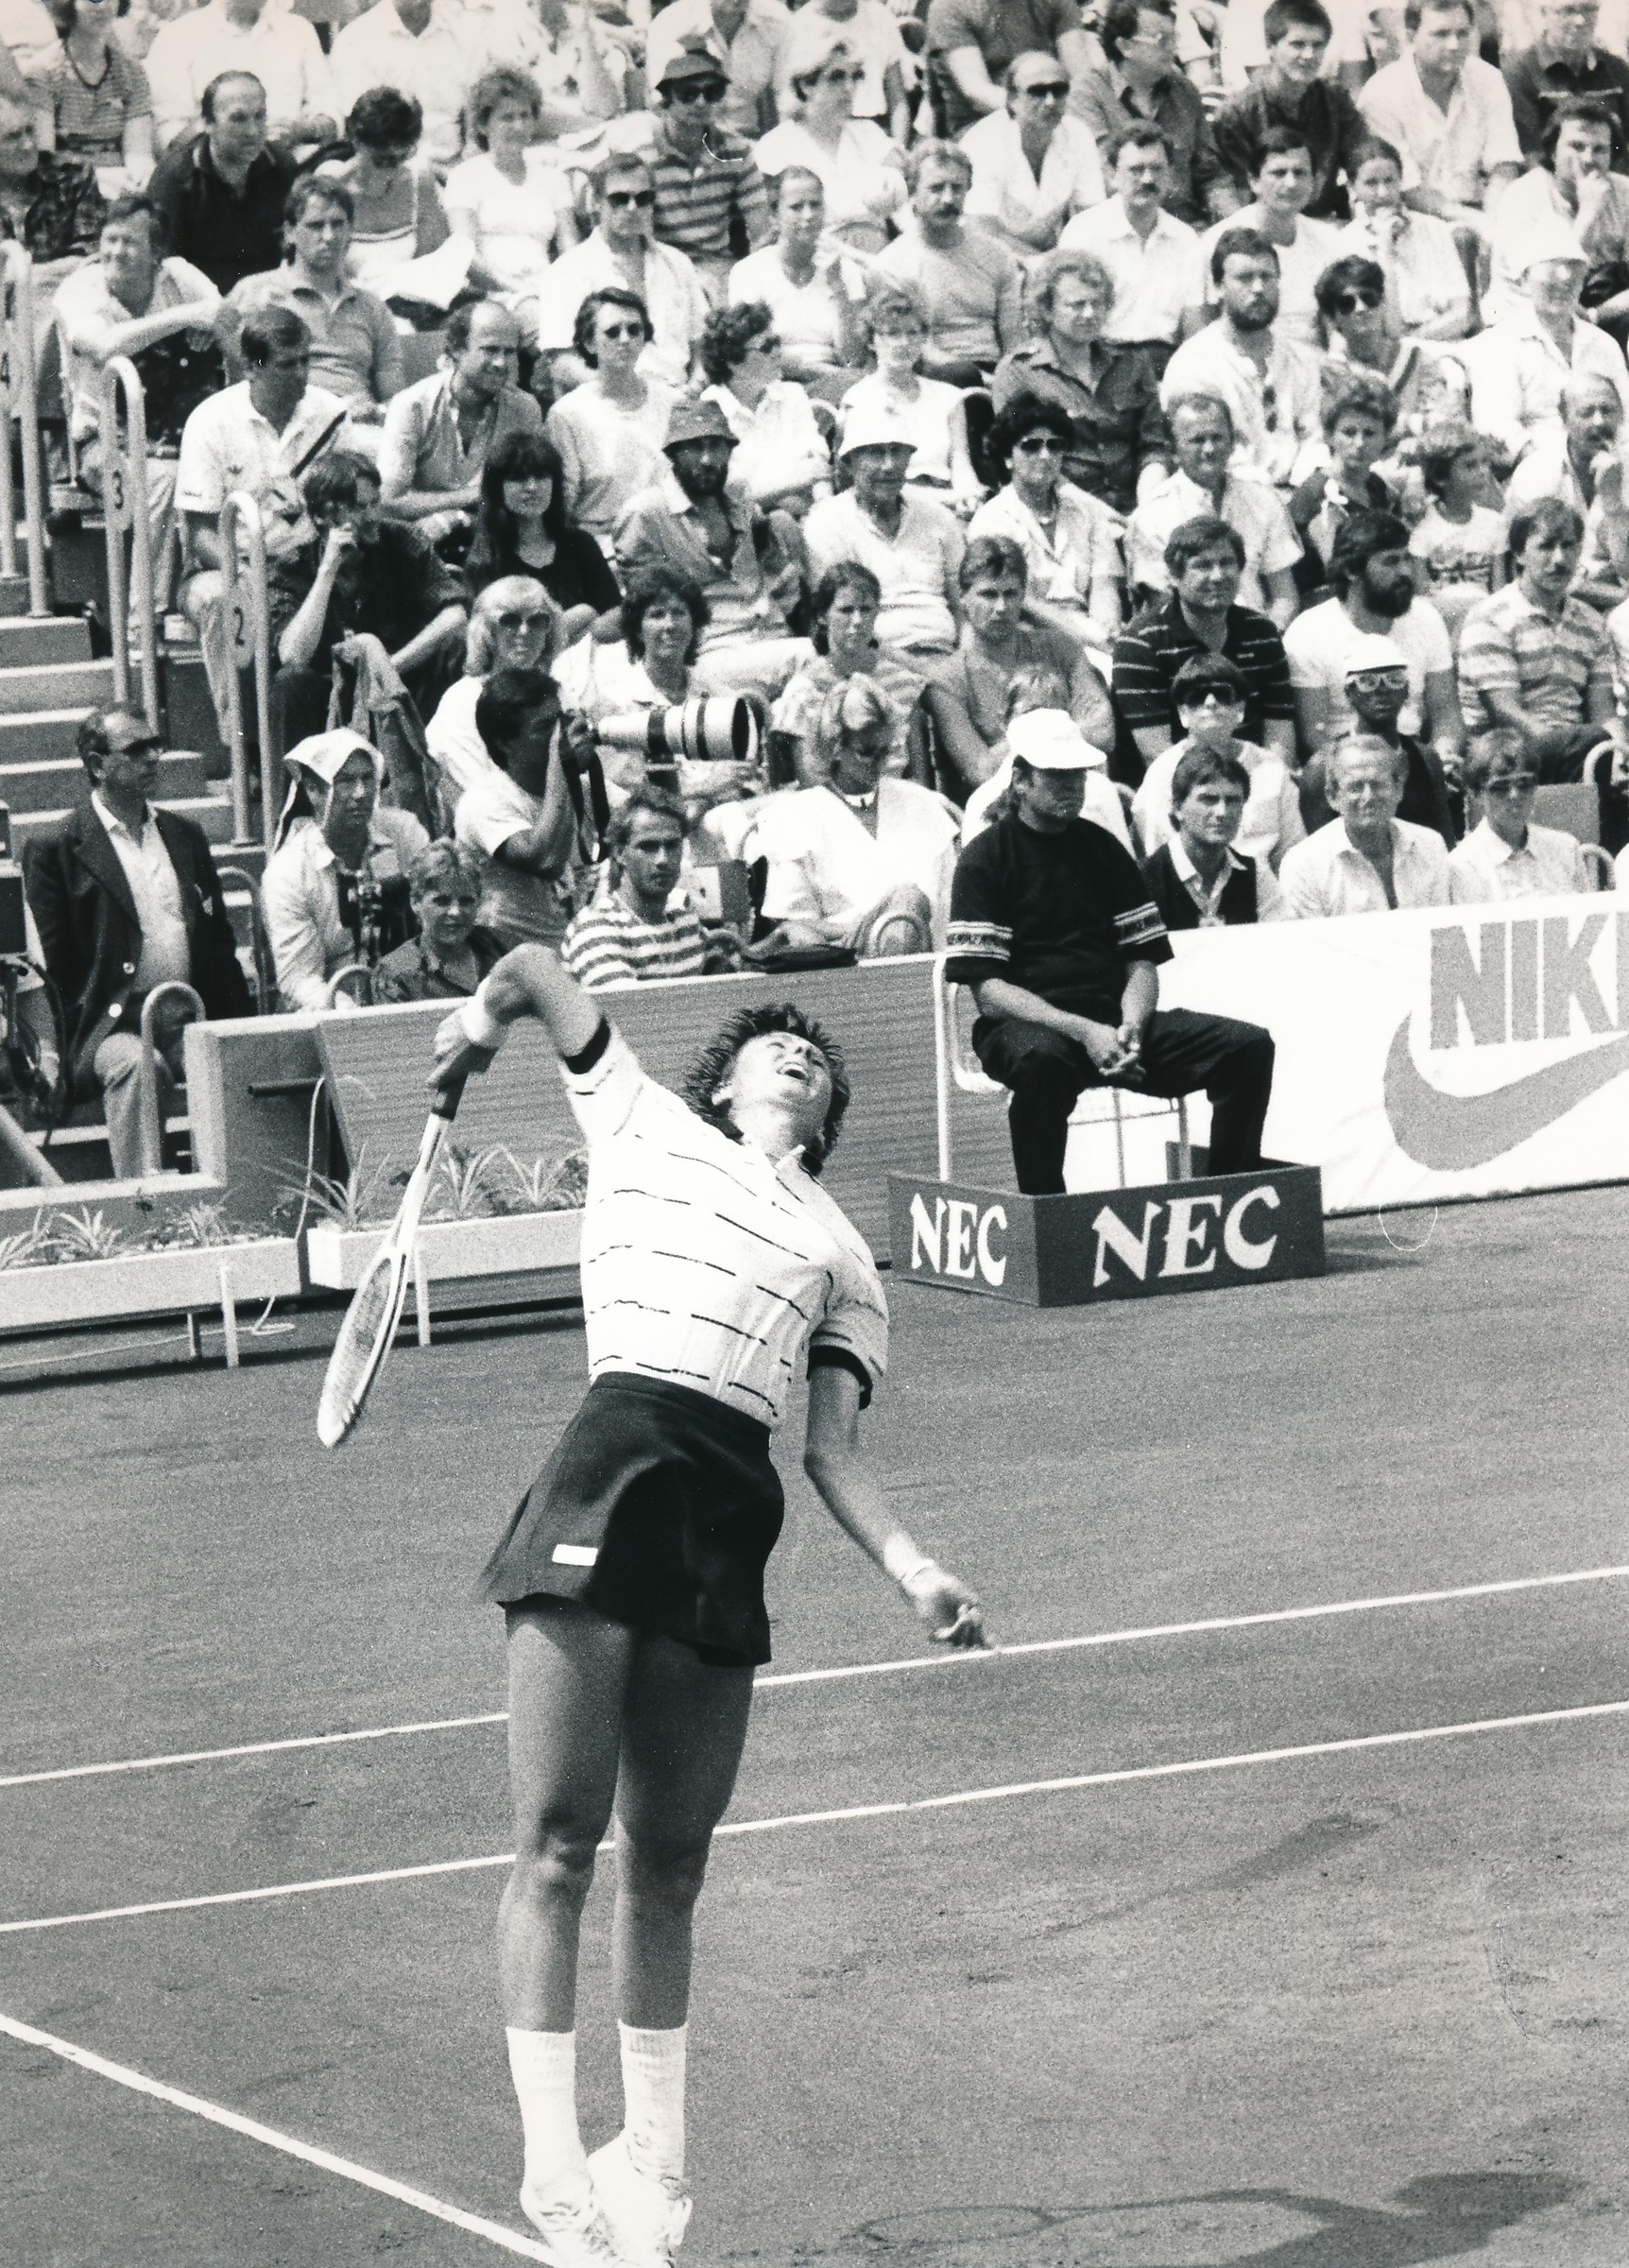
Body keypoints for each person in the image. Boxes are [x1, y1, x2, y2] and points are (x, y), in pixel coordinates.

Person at [426, 947, 982, 2268]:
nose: (799, 1053)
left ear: (827, 1114)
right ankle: (555, 2174)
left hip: (727, 1514)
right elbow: (532, 965)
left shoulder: (845, 1257)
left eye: (817, 1057)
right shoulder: (639, 1123)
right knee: (557, 1845)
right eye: (772, 1045)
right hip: (609, 1468)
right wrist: (478, 1024)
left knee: (671, 1861)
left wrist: (917, 1572)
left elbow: (832, 1451)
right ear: (720, 1085)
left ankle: (654, 2165)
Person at [944, 703, 1277, 1194]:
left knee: (1248, 1047)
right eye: (1056, 775)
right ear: (1020, 781)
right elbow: (990, 995)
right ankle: (1048, 1214)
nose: (1071, 785)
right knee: (1042, 1064)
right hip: (1029, 1029)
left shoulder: (1103, 847)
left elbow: (1141, 960)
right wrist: (1086, 1032)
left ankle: (1230, 1198)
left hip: (1115, 1024)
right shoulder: (984, 858)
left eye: (1077, 774)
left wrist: (1130, 1030)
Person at [22, 705, 250, 1178]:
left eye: (155, 745)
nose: (152, 757)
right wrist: (51, 1058)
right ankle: (143, 1201)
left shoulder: (186, 835)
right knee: (139, 1068)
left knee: (226, 1066)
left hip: (187, 1016)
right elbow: (49, 970)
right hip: (107, 1028)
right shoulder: (55, 847)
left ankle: (232, 1194)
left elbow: (219, 945)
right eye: (136, 749)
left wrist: (246, 1030)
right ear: (97, 764)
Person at [176, 303, 351, 717]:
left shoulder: (331, 413)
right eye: (287, 364)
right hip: (230, 563)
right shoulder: (210, 420)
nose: (302, 374)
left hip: (309, 560)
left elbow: (348, 501)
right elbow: (200, 533)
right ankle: (240, 740)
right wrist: (248, 573)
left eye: (306, 360)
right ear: (251, 368)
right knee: (223, 600)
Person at [55, 192, 219, 609]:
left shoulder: (178, 277)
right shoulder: (79, 288)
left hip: (177, 437)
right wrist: (185, 317)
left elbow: (224, 314)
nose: (115, 251)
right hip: (101, 444)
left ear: (156, 251)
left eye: (129, 241)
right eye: (109, 239)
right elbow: (104, 346)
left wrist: (211, 326)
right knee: (162, 479)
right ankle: (144, 622)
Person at [268, 446, 469, 759]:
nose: (373, 515)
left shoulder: (402, 540)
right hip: (329, 696)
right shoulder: (291, 566)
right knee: (291, 682)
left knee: (456, 649)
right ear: (321, 516)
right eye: (358, 508)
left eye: (375, 503)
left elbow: (454, 616)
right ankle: (298, 791)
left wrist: (387, 668)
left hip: (399, 682)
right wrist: (327, 571)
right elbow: (293, 656)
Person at [614, 396, 811, 698]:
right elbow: (644, 607)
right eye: (695, 448)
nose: (707, 460)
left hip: (774, 637)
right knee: (815, 657)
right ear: (674, 454)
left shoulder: (741, 504)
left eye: (716, 447)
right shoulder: (646, 513)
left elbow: (783, 583)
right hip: (707, 652)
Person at [750, 674, 960, 949]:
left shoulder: (922, 805)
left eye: (885, 751)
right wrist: (870, 927)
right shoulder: (797, 817)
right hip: (842, 959)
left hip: (924, 954)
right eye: (867, 752)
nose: (878, 763)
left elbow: (951, 908)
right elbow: (793, 926)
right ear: (835, 748)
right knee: (905, 901)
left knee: (909, 898)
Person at [923, 532, 1113, 799]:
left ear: (1023, 595)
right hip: (1001, 805)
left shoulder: (1060, 647)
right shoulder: (946, 681)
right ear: (963, 596)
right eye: (988, 594)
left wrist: (1014, 745)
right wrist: (1063, 730)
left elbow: (1103, 733)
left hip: (1077, 794)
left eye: (1011, 594)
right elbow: (980, 771)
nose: (1001, 607)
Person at [990, 243, 1172, 514]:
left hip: (1137, 506)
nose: (1089, 314)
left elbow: (1153, 446)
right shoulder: (1018, 372)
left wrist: (1147, 509)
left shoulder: (1133, 363)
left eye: (1097, 303)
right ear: (1047, 309)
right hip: (1062, 509)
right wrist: (1098, 516)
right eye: (1076, 305)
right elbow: (1026, 460)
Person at [262, 728, 429, 1008]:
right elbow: (299, 979)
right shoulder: (288, 872)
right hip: (330, 1005)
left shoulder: (404, 833)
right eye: (345, 781)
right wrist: (346, 1009)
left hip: (411, 993)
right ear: (313, 791)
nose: (361, 793)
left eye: (367, 778)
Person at [1282, 507, 1461, 770]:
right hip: (1346, 766)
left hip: (1417, 760)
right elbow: (1314, 735)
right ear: (1351, 570)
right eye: (1390, 562)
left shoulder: (1426, 618)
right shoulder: (1308, 633)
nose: (1405, 572)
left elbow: (1446, 715)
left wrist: (1439, 764)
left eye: (1406, 559)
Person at [1113, 513, 1298, 765]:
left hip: (1252, 769)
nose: (1218, 576)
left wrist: (1271, 778)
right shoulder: (1140, 644)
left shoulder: (1261, 633)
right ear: (1174, 577)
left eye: (1227, 563)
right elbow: (1155, 751)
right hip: (1175, 777)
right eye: (1203, 566)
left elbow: (1279, 734)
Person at [225, 175, 403, 434]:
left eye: (338, 224)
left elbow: (395, 398)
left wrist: (378, 412)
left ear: (350, 230)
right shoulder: (255, 293)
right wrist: (330, 413)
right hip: (284, 427)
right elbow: (243, 381)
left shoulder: (373, 308)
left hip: (358, 431)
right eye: (316, 225)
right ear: (290, 232)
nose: (329, 236)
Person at [1457, 495, 1619, 779]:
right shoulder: (1491, 618)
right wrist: (1580, 748)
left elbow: (1603, 711)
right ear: (1520, 554)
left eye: (1568, 546)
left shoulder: (1591, 623)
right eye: (1546, 546)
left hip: (1577, 753)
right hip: (1505, 753)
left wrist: (1619, 750)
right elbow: (1505, 711)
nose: (1559, 559)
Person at [1158, 227, 1323, 486]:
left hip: (1299, 493)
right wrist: (1270, 500)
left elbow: (1314, 439)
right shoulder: (1194, 364)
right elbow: (1212, 460)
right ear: (1218, 287)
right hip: (1225, 494)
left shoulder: (1300, 360)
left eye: (1267, 277)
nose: (1258, 288)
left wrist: (1305, 492)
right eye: (1245, 278)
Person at [378, 299, 543, 549]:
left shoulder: (524, 409)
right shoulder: (412, 405)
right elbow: (389, 501)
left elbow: (528, 493)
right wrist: (476, 495)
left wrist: (462, 516)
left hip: (493, 539)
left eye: (509, 352)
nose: (501, 363)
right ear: (457, 349)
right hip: (420, 543)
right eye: (490, 350)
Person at [969, 390, 1123, 657]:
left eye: (1054, 445)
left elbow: (1104, 585)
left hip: (1092, 632)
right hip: (1026, 636)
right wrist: (1089, 639)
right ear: (1008, 457)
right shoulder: (992, 520)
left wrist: (1106, 630)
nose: (1045, 455)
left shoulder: (1087, 512)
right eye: (1031, 446)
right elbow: (1022, 602)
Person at [454, 664, 599, 948]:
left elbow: (660, 820)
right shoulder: (482, 801)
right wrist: (563, 764)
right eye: (544, 728)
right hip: (509, 953)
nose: (560, 735)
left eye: (560, 721)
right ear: (505, 743)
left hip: (574, 949)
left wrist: (659, 753)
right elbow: (546, 861)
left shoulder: (583, 789)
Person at [1126, 389, 1300, 625]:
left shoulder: (1263, 500)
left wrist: (1267, 637)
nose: (1209, 449)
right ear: (1173, 450)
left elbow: (1285, 597)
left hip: (1260, 633)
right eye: (1197, 440)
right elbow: (1163, 610)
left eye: (1217, 438)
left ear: (1232, 443)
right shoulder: (1152, 517)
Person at [540, 154, 711, 394]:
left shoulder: (677, 264)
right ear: (596, 201)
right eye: (619, 199)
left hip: (680, 397)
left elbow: (700, 342)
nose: (632, 208)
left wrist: (696, 384)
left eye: (643, 198)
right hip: (609, 401)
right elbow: (562, 363)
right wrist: (626, 394)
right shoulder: (566, 272)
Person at [1356, 0, 1522, 245]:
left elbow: (1503, 164)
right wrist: (1474, 221)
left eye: (1462, 34)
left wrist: (1495, 220)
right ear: (1411, 36)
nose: (1454, 45)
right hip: (1411, 216)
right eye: (1441, 34)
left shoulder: (1488, 79)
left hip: (1483, 209)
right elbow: (1406, 187)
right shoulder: (1380, 94)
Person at [804, 404, 965, 656]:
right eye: (876, 453)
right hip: (872, 659)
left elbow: (963, 604)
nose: (889, 465)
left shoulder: (938, 517)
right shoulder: (827, 524)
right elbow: (837, 624)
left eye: (898, 452)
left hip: (945, 654)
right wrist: (917, 668)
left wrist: (963, 659)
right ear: (849, 462)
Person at [1130, 647, 1303, 872]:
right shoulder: (1163, 773)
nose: (1211, 702)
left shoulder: (1272, 770)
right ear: (1183, 713)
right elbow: (1159, 855)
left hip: (1261, 882)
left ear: (1240, 709)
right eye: (1197, 697)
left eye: (1222, 695)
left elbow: (1292, 850)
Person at [1071, 0, 1239, 229]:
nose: (1173, 48)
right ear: (1125, 46)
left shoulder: (1184, 90)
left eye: (1174, 38)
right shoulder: (1089, 93)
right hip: (1121, 226)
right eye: (1162, 40)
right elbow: (1106, 176)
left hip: (1188, 226)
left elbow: (1210, 173)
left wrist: (1236, 223)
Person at [544, 288, 684, 560]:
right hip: (605, 548)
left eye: (634, 330)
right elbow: (563, 507)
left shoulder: (672, 402)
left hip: (670, 541)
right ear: (589, 343)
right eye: (612, 332)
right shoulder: (567, 415)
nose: (625, 339)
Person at [1056, 122, 1206, 375]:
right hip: (1100, 361)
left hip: (1165, 363)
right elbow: (1067, 320)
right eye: (1136, 170)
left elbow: (1193, 328)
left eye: (1157, 169)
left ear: (1169, 175)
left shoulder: (1186, 239)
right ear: (1113, 175)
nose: (1148, 179)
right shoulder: (1084, 232)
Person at [873, 138, 1023, 384]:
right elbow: (916, 348)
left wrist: (1014, 381)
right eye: (936, 188)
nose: (947, 199)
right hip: (934, 375)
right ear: (912, 191)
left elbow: (1013, 340)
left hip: (996, 372)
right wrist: (985, 382)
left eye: (957, 188)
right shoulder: (891, 265)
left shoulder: (997, 255)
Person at [443, 66, 576, 336]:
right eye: (507, 118)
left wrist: (560, 288)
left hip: (546, 288)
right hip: (491, 294)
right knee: (545, 325)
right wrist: (518, 290)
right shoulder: (465, 176)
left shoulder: (553, 179)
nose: (519, 126)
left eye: (525, 116)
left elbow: (569, 248)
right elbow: (466, 256)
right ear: (483, 125)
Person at [753, 20, 904, 255]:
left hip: (879, 255)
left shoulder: (870, 135)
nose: (849, 87)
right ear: (806, 85)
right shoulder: (775, 147)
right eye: (836, 77)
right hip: (814, 257)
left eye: (855, 77)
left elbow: (902, 208)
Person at [770, 559, 927, 781]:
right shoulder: (803, 693)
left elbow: (919, 778)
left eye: (866, 609)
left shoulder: (903, 683)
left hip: (896, 796)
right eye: (846, 610)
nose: (858, 620)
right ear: (822, 616)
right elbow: (811, 782)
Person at [1295, 632, 1459, 843]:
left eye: (1394, 680)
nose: (1382, 691)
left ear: (1407, 690)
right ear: (1349, 693)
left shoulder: (1426, 759)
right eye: (1367, 682)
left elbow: (1443, 841)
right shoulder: (1323, 767)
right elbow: (1318, 847)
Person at [1210, 0, 1366, 220]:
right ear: (1271, 46)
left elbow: (1362, 161)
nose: (1309, 55)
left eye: (1317, 45)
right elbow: (1237, 195)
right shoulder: (1237, 114)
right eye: (1297, 45)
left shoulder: (1336, 101)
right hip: (1264, 224)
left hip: (1325, 223)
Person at [561, 784, 726, 988]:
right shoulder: (598, 928)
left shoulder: (685, 922)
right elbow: (632, 1007)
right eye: (648, 846)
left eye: (672, 845)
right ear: (620, 854)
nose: (663, 859)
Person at [839, 278, 982, 513]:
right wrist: (948, 499)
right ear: (872, 341)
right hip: (891, 507)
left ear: (924, 338)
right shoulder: (859, 399)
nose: (904, 342)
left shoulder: (949, 397)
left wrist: (969, 496)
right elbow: (870, 482)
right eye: (892, 333)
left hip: (950, 501)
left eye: (912, 333)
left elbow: (961, 463)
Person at [726, 166, 866, 403]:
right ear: (774, 216)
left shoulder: (846, 270)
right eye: (796, 207)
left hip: (838, 382)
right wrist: (818, 373)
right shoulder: (749, 272)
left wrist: (838, 287)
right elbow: (752, 352)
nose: (808, 215)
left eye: (816, 205)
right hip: (774, 383)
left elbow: (853, 359)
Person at [1487, 96, 1629, 331]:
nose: (1588, 159)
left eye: (1599, 149)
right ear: (1553, 151)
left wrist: (1596, 316)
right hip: (1525, 316)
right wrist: (1587, 214)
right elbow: (1550, 280)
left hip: (1601, 313)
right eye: (1576, 147)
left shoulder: (1624, 192)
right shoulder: (1523, 195)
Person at [146, 70, 291, 295]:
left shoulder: (281, 166)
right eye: (238, 119)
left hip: (270, 296)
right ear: (207, 123)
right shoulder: (174, 180)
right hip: (202, 301)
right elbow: (165, 271)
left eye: (260, 116)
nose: (253, 131)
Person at [1277, 730, 1452, 915]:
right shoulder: (1304, 866)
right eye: (1355, 787)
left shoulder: (1430, 847)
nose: (1368, 797)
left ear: (1398, 789)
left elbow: (1443, 925)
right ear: (1332, 796)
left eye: (1378, 785)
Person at [1195, 127, 1343, 345]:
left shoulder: (1328, 239)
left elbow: (1337, 323)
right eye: (1279, 173)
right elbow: (1200, 326)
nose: (1291, 183)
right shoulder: (1217, 240)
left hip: (1313, 359)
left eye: (1300, 173)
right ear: (1254, 181)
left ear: (1313, 181)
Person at [424, 574, 561, 808]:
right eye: (509, 621)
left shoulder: (558, 691)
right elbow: (476, 795)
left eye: (537, 620)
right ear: (487, 630)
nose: (524, 631)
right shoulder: (462, 701)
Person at [646, 45, 773, 296]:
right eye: (688, 93)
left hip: (719, 268)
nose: (701, 102)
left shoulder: (736, 151)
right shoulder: (644, 155)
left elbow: (761, 230)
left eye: (712, 92)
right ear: (667, 99)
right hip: (663, 269)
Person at [464, 429, 620, 630]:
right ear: (497, 488)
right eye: (518, 478)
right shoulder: (486, 556)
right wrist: (578, 618)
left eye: (541, 476)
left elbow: (614, 612)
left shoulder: (580, 544)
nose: (531, 487)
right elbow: (491, 631)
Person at [961, 49, 1106, 260]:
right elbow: (983, 231)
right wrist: (1045, 264)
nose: (1050, 101)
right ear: (1012, 98)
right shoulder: (983, 141)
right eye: (1037, 92)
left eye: (1059, 90)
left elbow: (1090, 216)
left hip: (1052, 255)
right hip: (986, 257)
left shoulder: (1078, 134)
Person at [1504, 368, 1629, 610]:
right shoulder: (1537, 471)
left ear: (1622, 414)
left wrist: (1612, 502)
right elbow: (1532, 566)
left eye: (1607, 410)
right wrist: (1619, 598)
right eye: (1586, 413)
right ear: (1564, 418)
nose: (1599, 421)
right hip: (1551, 601)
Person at [1332, 134, 1475, 342]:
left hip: (1443, 339)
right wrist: (1385, 245)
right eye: (1371, 183)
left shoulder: (1433, 229)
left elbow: (1462, 313)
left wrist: (1415, 341)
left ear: (1400, 181)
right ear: (1353, 187)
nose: (1383, 193)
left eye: (1389, 181)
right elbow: (1383, 327)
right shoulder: (1345, 243)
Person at [145, 0, 335, 153]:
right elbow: (170, 137)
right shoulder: (177, 37)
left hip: (293, 163)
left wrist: (302, 129)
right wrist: (233, 134)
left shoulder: (298, 30)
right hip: (213, 172)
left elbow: (329, 113)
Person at [696, 299, 832, 514]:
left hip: (806, 508)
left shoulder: (793, 394)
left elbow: (816, 462)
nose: (778, 352)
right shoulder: (709, 410)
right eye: (766, 347)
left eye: (776, 341)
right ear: (733, 361)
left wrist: (823, 505)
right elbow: (732, 494)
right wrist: (795, 483)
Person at [320, 88, 454, 299]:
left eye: (401, 157)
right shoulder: (329, 186)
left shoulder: (420, 183)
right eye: (380, 158)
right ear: (355, 140)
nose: (390, 168)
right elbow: (316, 273)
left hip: (408, 301)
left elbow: (433, 264)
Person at [329, 0, 490, 172]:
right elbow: (369, 131)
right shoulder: (356, 40)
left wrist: (466, 169)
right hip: (390, 170)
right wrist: (421, 173)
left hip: (458, 169)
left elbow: (478, 115)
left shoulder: (464, 33)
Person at [1140, 740, 1288, 926]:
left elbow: (1279, 939)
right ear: (1177, 807)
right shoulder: (1142, 880)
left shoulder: (1257, 876)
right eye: (1208, 799)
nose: (1222, 812)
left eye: (1233, 800)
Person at [1285, 369, 1400, 602]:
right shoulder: (1316, 492)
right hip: (1325, 598)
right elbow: (1339, 571)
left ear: (1385, 438)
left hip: (1371, 593)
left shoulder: (1378, 487)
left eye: (1370, 433)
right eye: (1349, 433)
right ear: (1329, 435)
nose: (1359, 443)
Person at [1312, 249, 1457, 428]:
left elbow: (1442, 424)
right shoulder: (1331, 373)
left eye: (1369, 298)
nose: (1361, 308)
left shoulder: (1417, 361)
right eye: (1347, 303)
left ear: (1383, 303)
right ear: (1333, 318)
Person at [1448, 726, 1594, 900]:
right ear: (1476, 793)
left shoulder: (1566, 848)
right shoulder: (1462, 864)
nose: (1515, 795)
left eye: (1524, 783)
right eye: (1500, 787)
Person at [924, 0, 1094, 140]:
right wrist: (1039, 109)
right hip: (982, 126)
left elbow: (1081, 77)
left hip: (1055, 116)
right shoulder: (949, 6)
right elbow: (977, 91)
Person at [26, 0, 154, 177]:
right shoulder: (43, 72)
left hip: (123, 183)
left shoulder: (132, 72)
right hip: (67, 184)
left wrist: (139, 178)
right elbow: (45, 160)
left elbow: (139, 155)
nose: (104, 5)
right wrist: (105, 180)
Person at [372, 836, 509, 1001]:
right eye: (442, 901)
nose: (455, 912)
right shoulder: (396, 974)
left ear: (479, 902)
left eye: (466, 901)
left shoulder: (496, 948)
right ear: (416, 902)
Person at [1406, 420, 1508, 638]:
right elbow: (1421, 598)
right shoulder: (1422, 527)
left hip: (1483, 621)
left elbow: (1499, 591)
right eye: (1470, 466)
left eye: (1484, 462)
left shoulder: (1494, 523)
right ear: (1440, 477)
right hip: (1438, 622)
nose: (1483, 472)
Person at [1503, 0, 1629, 170]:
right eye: (1568, 11)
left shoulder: (1616, 68)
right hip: (1551, 182)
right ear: (1544, 13)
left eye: (1589, 9)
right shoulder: (1519, 71)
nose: (1580, 20)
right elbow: (1531, 154)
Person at [644, 0, 794, 143]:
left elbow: (788, 98)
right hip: (687, 140)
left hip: (747, 140)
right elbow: (660, 103)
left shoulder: (777, 21)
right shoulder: (671, 22)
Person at [774, 0, 910, 143]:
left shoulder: (880, 17)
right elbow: (789, 107)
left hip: (877, 132)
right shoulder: (797, 27)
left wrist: (898, 147)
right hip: (822, 136)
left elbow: (898, 99)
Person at [0, 86, 102, 274]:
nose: (28, 144)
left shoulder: (73, 175)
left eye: (30, 131)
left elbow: (91, 253)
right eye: (12, 137)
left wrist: (28, 276)